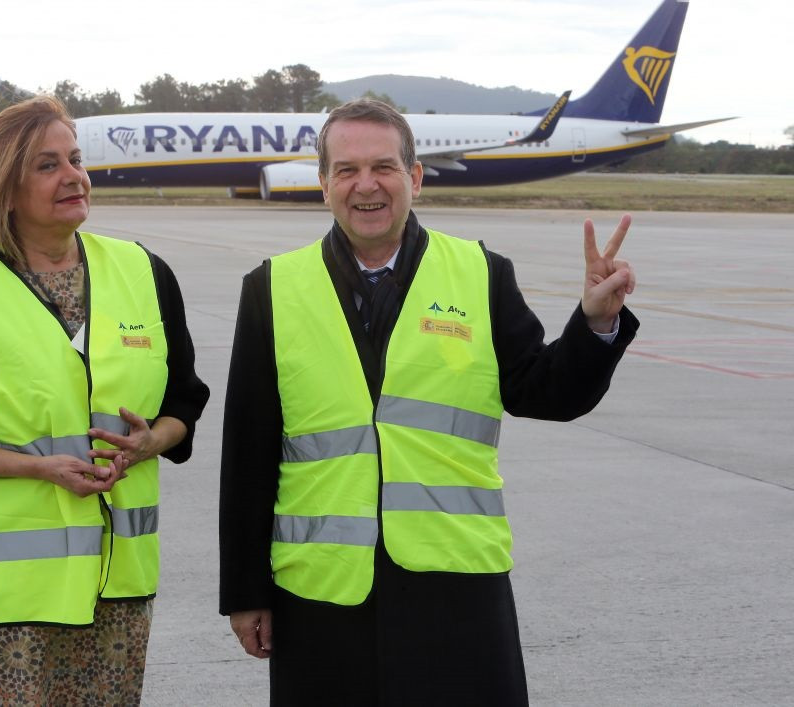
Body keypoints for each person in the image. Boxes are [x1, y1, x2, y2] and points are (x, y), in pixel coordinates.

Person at [218, 98, 638, 706]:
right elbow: (249, 451)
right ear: (323, 182)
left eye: (384, 167)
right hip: (322, 588)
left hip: (456, 581)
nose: (367, 185)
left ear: (414, 178)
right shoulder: (272, 287)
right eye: (346, 170)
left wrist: (594, 324)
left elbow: (544, 392)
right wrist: (246, 590)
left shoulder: (480, 273)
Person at [0, 95, 209, 705]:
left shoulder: (144, 271)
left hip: (116, 587)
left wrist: (150, 442)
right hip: (10, 601)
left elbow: (185, 401)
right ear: (4, 188)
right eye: (47, 165)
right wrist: (37, 468)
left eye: (75, 159)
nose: (74, 177)